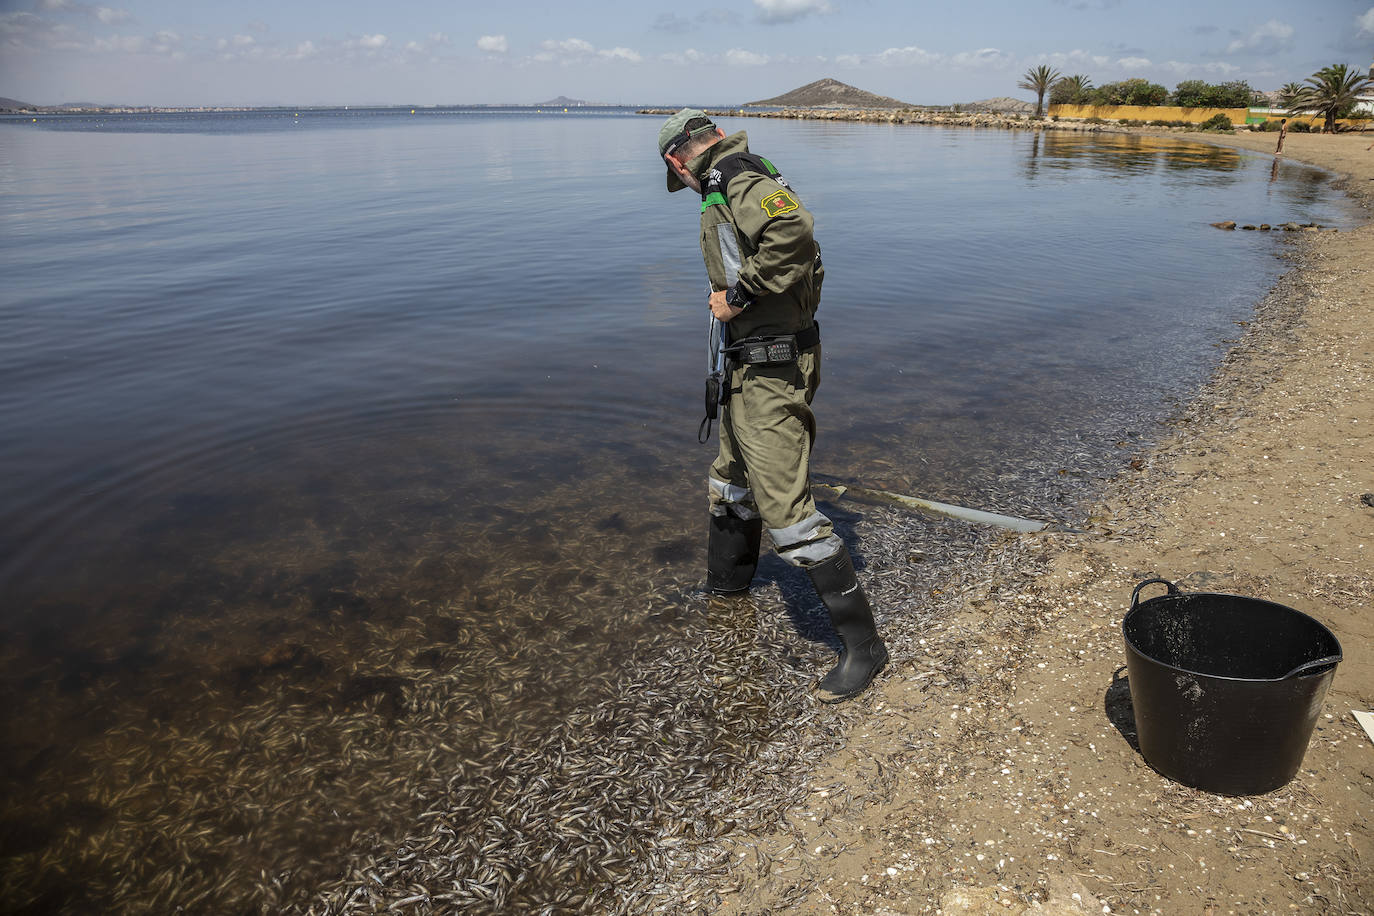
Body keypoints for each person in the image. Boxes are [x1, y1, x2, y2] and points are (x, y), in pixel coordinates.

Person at [656, 108, 888, 703]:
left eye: (673, 176)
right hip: (747, 362)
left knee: (787, 509)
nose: (680, 185)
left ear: (677, 159)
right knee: (731, 480)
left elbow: (794, 233)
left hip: (773, 367)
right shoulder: (726, 182)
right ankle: (727, 591)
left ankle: (864, 649)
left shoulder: (739, 176)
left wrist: (736, 296)